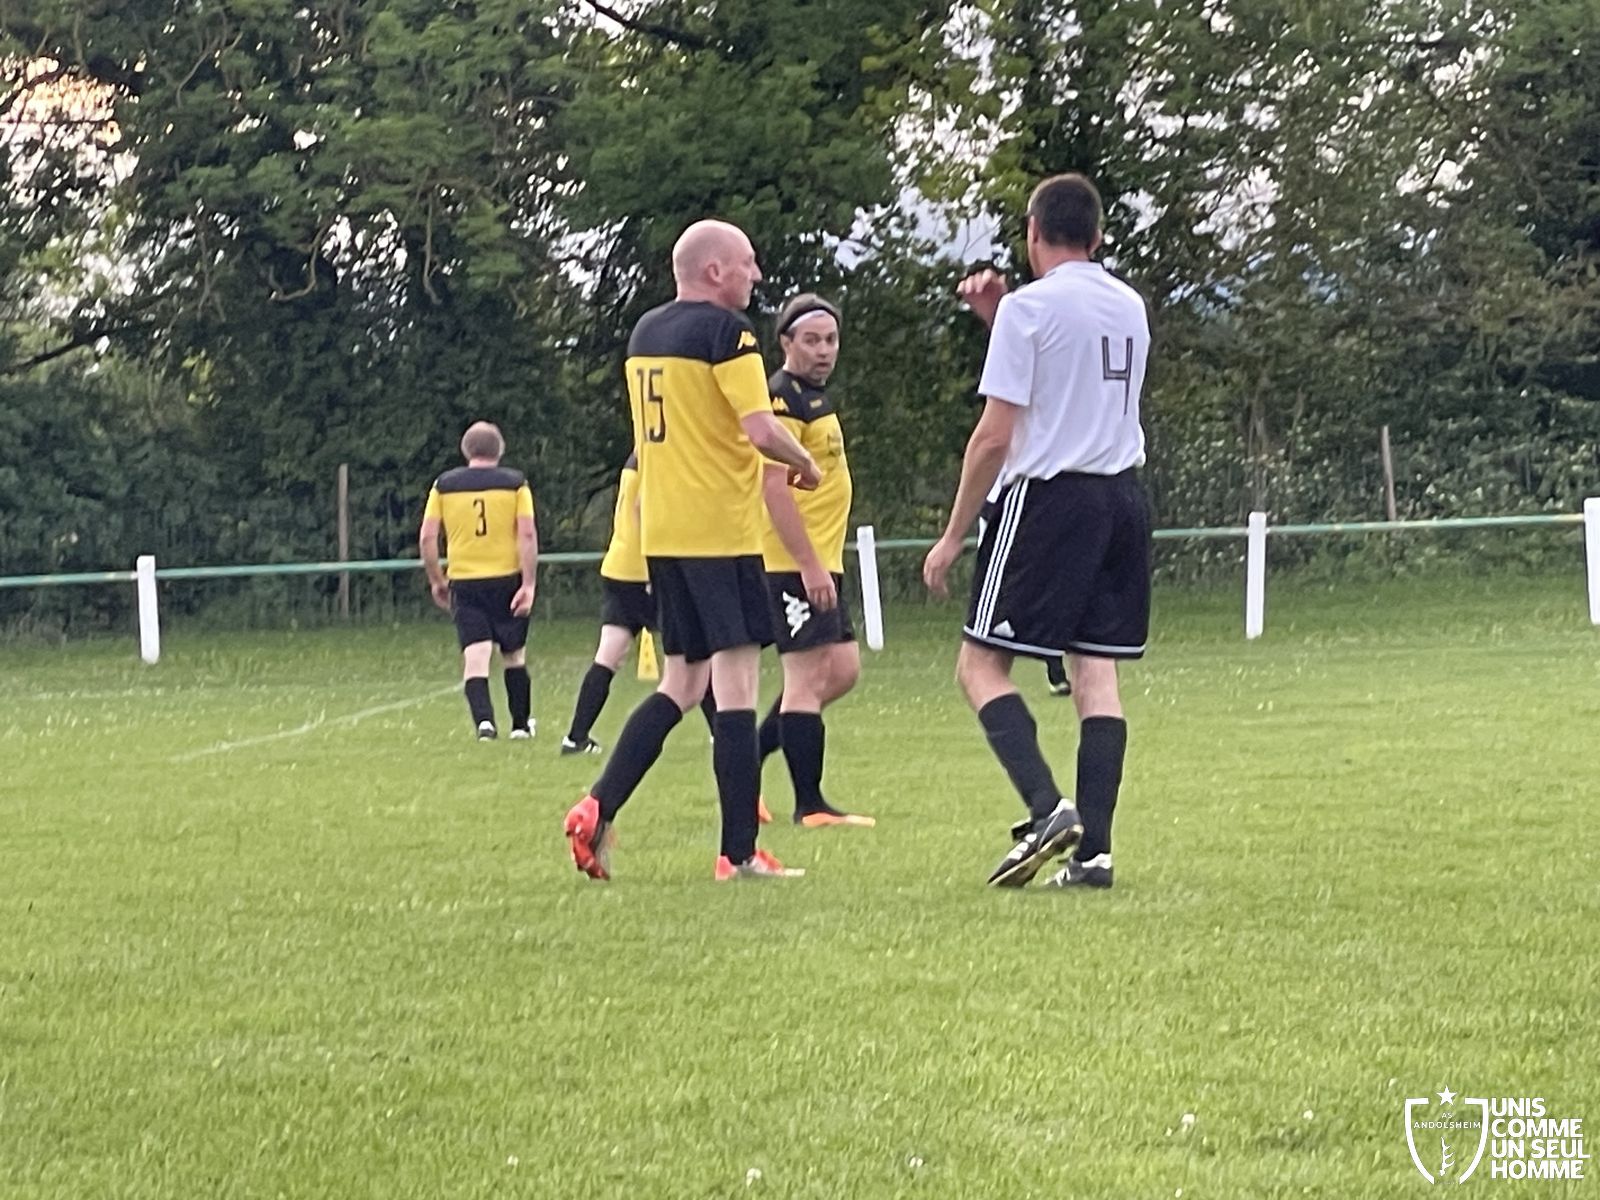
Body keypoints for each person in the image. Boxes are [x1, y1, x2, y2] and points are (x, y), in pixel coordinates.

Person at [563, 219, 821, 882]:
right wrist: (805, 462)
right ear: (714, 271)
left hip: (663, 535)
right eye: (747, 262)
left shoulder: (646, 332)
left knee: (681, 683)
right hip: (720, 531)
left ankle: (598, 804)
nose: (755, 275)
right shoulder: (727, 333)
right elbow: (760, 428)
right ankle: (739, 853)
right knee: (736, 690)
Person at [923, 173, 1152, 890]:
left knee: (979, 666)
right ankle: (1095, 857)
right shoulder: (1129, 304)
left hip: (1051, 500)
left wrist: (953, 534)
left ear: (1032, 232)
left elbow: (997, 435)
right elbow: (1072, 376)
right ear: (1099, 235)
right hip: (1122, 498)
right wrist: (1000, 318)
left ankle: (1048, 807)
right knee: (1096, 674)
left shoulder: (1030, 308)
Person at [755, 293, 874, 827]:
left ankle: (745, 763)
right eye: (811, 340)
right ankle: (811, 805)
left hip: (821, 558)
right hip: (791, 561)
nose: (824, 350)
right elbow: (773, 487)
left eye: (830, 340)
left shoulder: (814, 397)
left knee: (842, 670)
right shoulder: (782, 397)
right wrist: (807, 564)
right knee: (804, 679)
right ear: (786, 342)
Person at [559, 453, 720, 756]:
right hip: (645, 570)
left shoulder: (636, 459)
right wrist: (657, 565)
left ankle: (576, 737)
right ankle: (721, 732)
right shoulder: (660, 458)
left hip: (620, 567)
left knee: (609, 653)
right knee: (695, 649)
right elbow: (644, 508)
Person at [420, 421, 538, 740]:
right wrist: (528, 584)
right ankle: (520, 725)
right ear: (500, 450)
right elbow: (527, 534)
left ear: (466, 450)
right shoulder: (516, 484)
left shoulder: (444, 485)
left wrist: (436, 579)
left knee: (476, 656)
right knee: (514, 654)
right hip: (507, 579)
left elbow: (428, 537)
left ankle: (485, 723)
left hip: (465, 581)